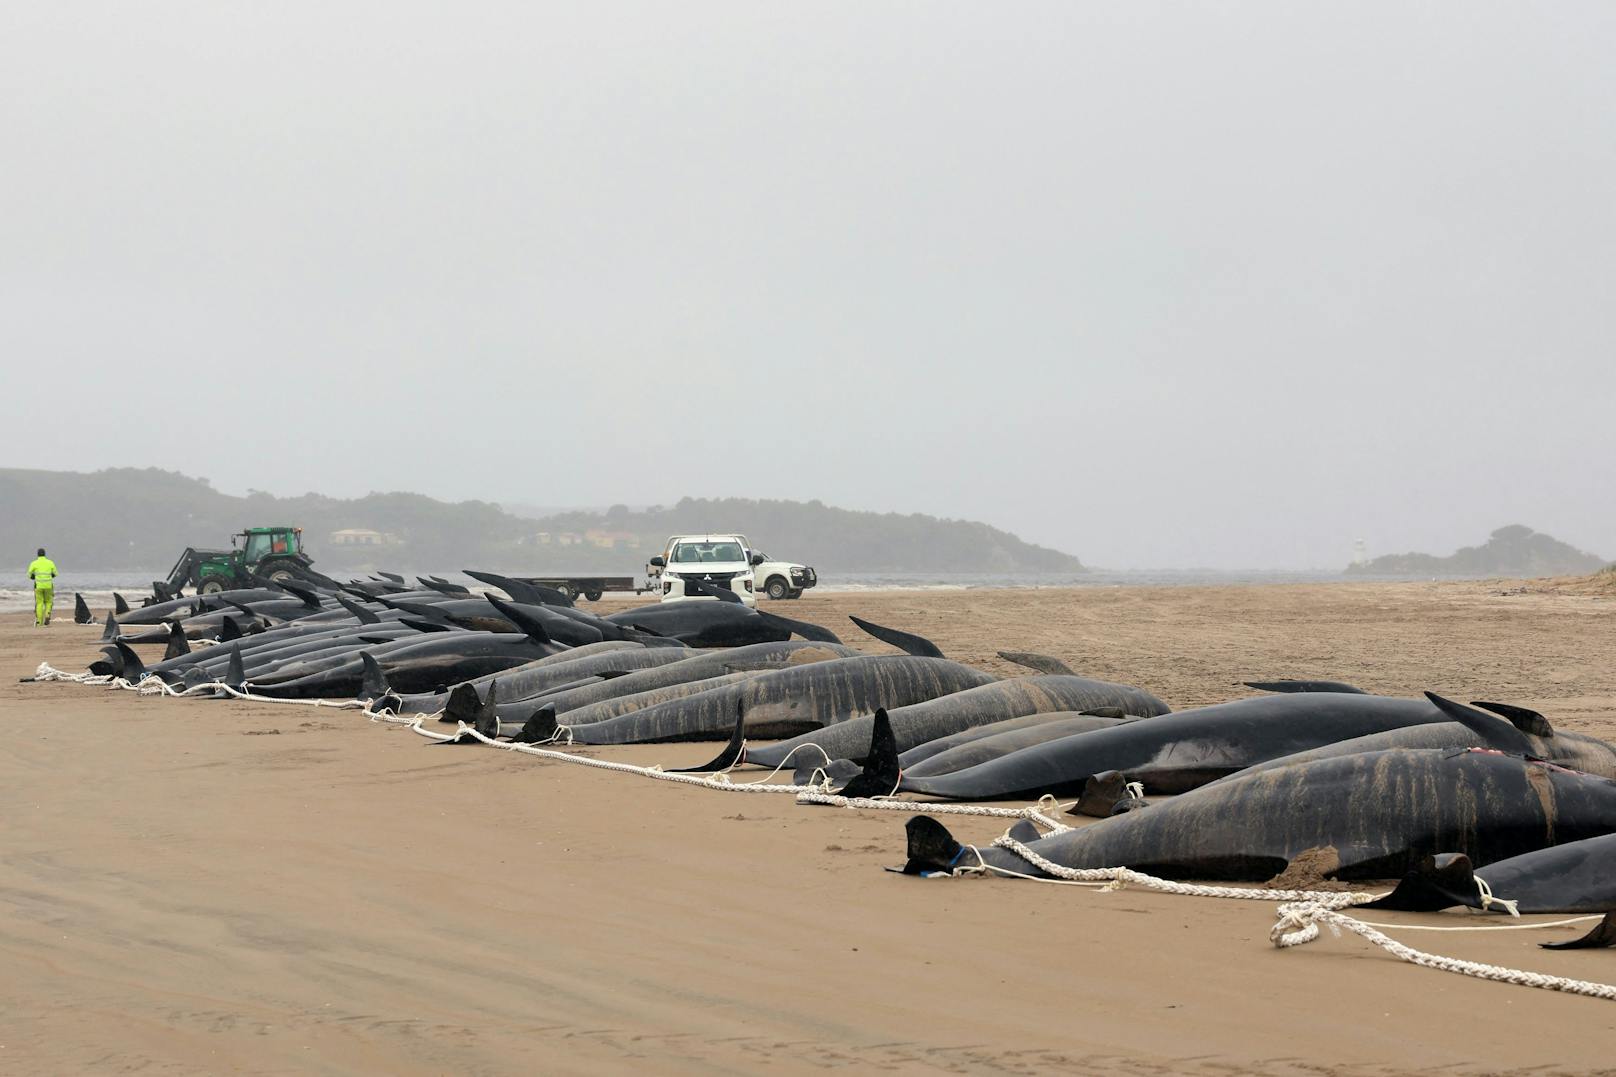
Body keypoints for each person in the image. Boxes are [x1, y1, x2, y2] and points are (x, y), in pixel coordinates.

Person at [28, 547, 57, 627]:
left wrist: (34, 577)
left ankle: (38, 622)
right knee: (49, 602)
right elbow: (55, 573)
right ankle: (47, 615)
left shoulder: (34, 563)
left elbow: (29, 575)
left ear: (37, 554)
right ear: (45, 554)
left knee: (39, 603)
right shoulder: (50, 562)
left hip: (38, 586)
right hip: (48, 586)